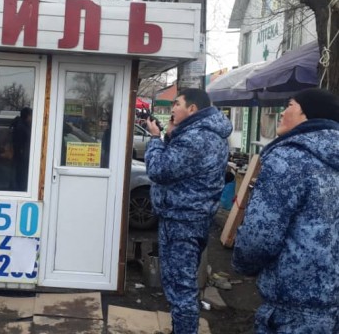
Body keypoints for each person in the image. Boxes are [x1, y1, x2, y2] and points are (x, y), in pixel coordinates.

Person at [232, 88, 339, 333]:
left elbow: (259, 237)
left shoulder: (289, 159)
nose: (281, 113)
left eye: (289, 105)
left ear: (307, 114)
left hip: (292, 307)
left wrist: (242, 264)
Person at [144, 88, 232, 334]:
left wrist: (155, 138)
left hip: (183, 222)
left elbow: (159, 170)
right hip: (189, 218)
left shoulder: (196, 138)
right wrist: (171, 136)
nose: (172, 109)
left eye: (177, 104)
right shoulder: (203, 134)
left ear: (192, 108)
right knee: (179, 283)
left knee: (180, 287)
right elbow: (180, 166)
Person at [11, 107, 32, 191]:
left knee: (20, 174)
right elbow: (20, 143)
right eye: (31, 116)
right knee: (21, 175)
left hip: (21, 156)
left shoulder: (23, 125)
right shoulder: (21, 127)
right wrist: (22, 153)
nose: (32, 118)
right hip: (21, 156)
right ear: (28, 116)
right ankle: (20, 189)